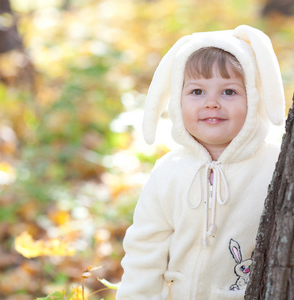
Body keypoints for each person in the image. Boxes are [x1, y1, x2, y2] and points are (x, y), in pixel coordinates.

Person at [116, 25, 285, 300]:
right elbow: (145, 249)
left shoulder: (274, 167)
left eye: (228, 92)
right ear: (176, 101)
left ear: (254, 99)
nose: (212, 103)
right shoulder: (168, 172)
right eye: (197, 92)